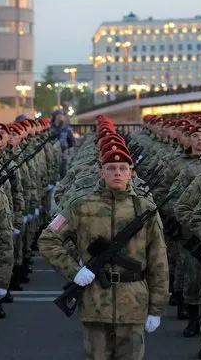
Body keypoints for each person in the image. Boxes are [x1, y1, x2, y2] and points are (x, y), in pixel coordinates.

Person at [38, 148, 169, 360]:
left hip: (133, 301)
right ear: (102, 173)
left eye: (122, 168)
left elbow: (158, 261)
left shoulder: (145, 210)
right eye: (111, 168)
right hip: (95, 301)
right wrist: (74, 271)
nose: (117, 172)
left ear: (130, 173)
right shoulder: (80, 206)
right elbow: (48, 239)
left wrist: (156, 308)